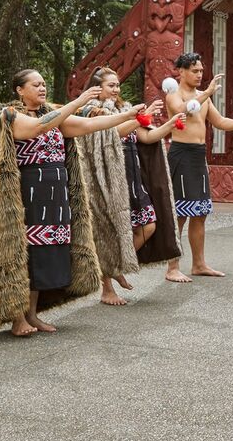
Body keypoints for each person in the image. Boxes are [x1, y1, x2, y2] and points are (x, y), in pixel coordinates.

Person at [0, 70, 140, 335]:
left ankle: (32, 315)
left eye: (44, 83)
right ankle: (17, 318)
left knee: (44, 254)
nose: (42, 88)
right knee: (23, 254)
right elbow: (38, 127)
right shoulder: (9, 115)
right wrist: (77, 102)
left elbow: (87, 126)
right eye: (36, 84)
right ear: (20, 90)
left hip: (55, 195)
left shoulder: (55, 114)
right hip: (26, 194)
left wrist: (128, 116)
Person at [79, 67, 185, 305]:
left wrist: (170, 123)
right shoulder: (89, 111)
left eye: (117, 85)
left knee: (148, 226)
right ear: (97, 88)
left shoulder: (123, 109)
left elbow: (146, 137)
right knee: (109, 232)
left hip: (132, 175)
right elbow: (111, 133)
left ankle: (117, 266)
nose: (116, 90)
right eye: (111, 85)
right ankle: (107, 289)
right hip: (106, 178)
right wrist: (136, 117)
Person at [162, 53, 233, 283]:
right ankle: (172, 267)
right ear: (181, 72)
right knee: (180, 214)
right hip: (180, 155)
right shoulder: (174, 94)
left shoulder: (203, 97)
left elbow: (220, 121)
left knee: (200, 212)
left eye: (201, 71)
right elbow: (183, 110)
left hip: (198, 156)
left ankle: (199, 264)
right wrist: (207, 93)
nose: (199, 75)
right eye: (195, 71)